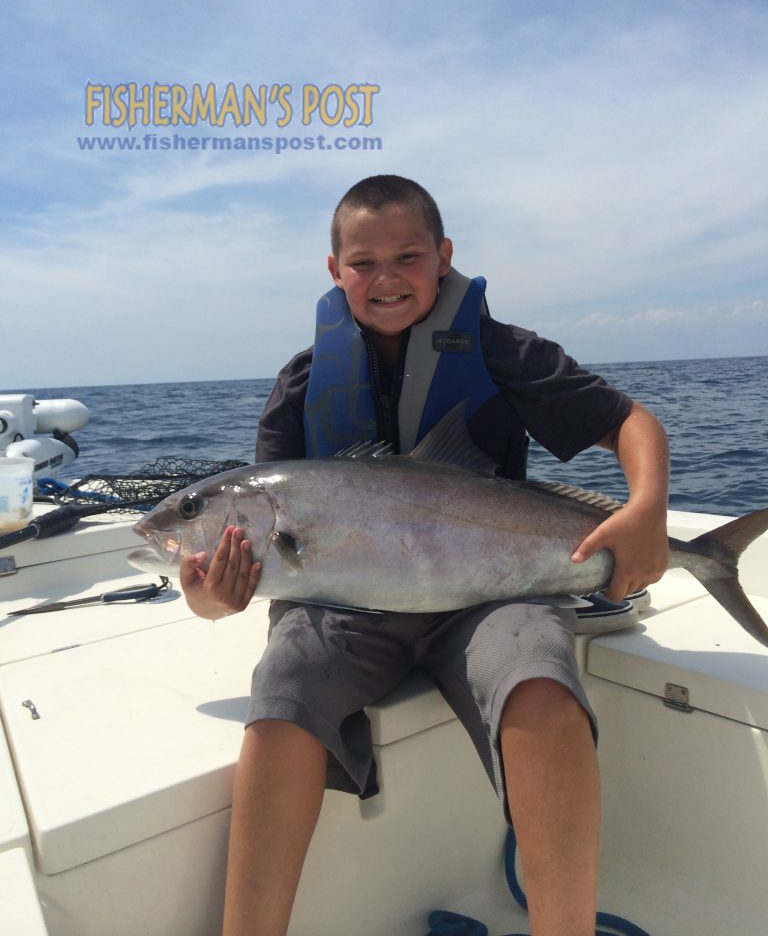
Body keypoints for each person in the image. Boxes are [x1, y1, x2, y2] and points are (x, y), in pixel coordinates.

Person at [181, 175, 670, 936]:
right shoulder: (300, 384)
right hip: (349, 612)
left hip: (489, 595)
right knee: (283, 682)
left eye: (407, 257)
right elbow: (217, 596)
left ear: (443, 257)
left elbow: (632, 424)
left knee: (540, 678)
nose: (385, 279)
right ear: (334, 270)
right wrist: (212, 597)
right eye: (363, 263)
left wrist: (643, 513)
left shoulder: (504, 351)